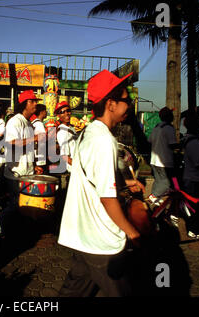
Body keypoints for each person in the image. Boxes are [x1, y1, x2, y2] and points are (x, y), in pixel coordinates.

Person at [58, 70, 145, 297]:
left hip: (83, 234)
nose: (130, 105)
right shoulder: (104, 141)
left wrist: (126, 181)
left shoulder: (88, 133)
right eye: (127, 100)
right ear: (111, 104)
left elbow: (89, 175)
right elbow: (107, 198)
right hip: (101, 241)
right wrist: (132, 233)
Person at [0, 90, 45, 239]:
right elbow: (10, 144)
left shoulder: (27, 122)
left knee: (22, 203)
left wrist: (34, 166)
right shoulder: (15, 121)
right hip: (15, 172)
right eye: (33, 101)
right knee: (18, 203)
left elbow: (27, 149)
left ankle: (12, 231)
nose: (36, 104)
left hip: (26, 171)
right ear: (25, 103)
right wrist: (34, 139)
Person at [181, 115, 199, 239]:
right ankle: (193, 230)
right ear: (196, 126)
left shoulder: (191, 140)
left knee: (194, 208)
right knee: (195, 208)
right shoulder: (195, 143)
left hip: (193, 178)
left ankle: (194, 228)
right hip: (196, 180)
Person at [147, 107, 179, 206]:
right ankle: (153, 197)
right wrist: (183, 144)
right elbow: (172, 145)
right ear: (169, 116)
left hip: (154, 160)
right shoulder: (169, 128)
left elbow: (150, 141)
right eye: (171, 114)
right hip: (165, 161)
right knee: (167, 183)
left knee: (158, 181)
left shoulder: (157, 127)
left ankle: (155, 201)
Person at [55, 101, 77, 173]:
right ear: (58, 115)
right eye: (62, 112)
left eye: (68, 111)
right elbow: (64, 156)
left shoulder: (71, 128)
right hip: (73, 169)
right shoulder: (62, 132)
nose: (66, 113)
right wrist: (77, 167)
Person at [31, 103, 47, 169]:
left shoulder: (33, 123)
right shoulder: (39, 124)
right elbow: (42, 140)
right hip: (39, 157)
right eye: (45, 111)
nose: (46, 112)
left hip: (35, 156)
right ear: (42, 112)